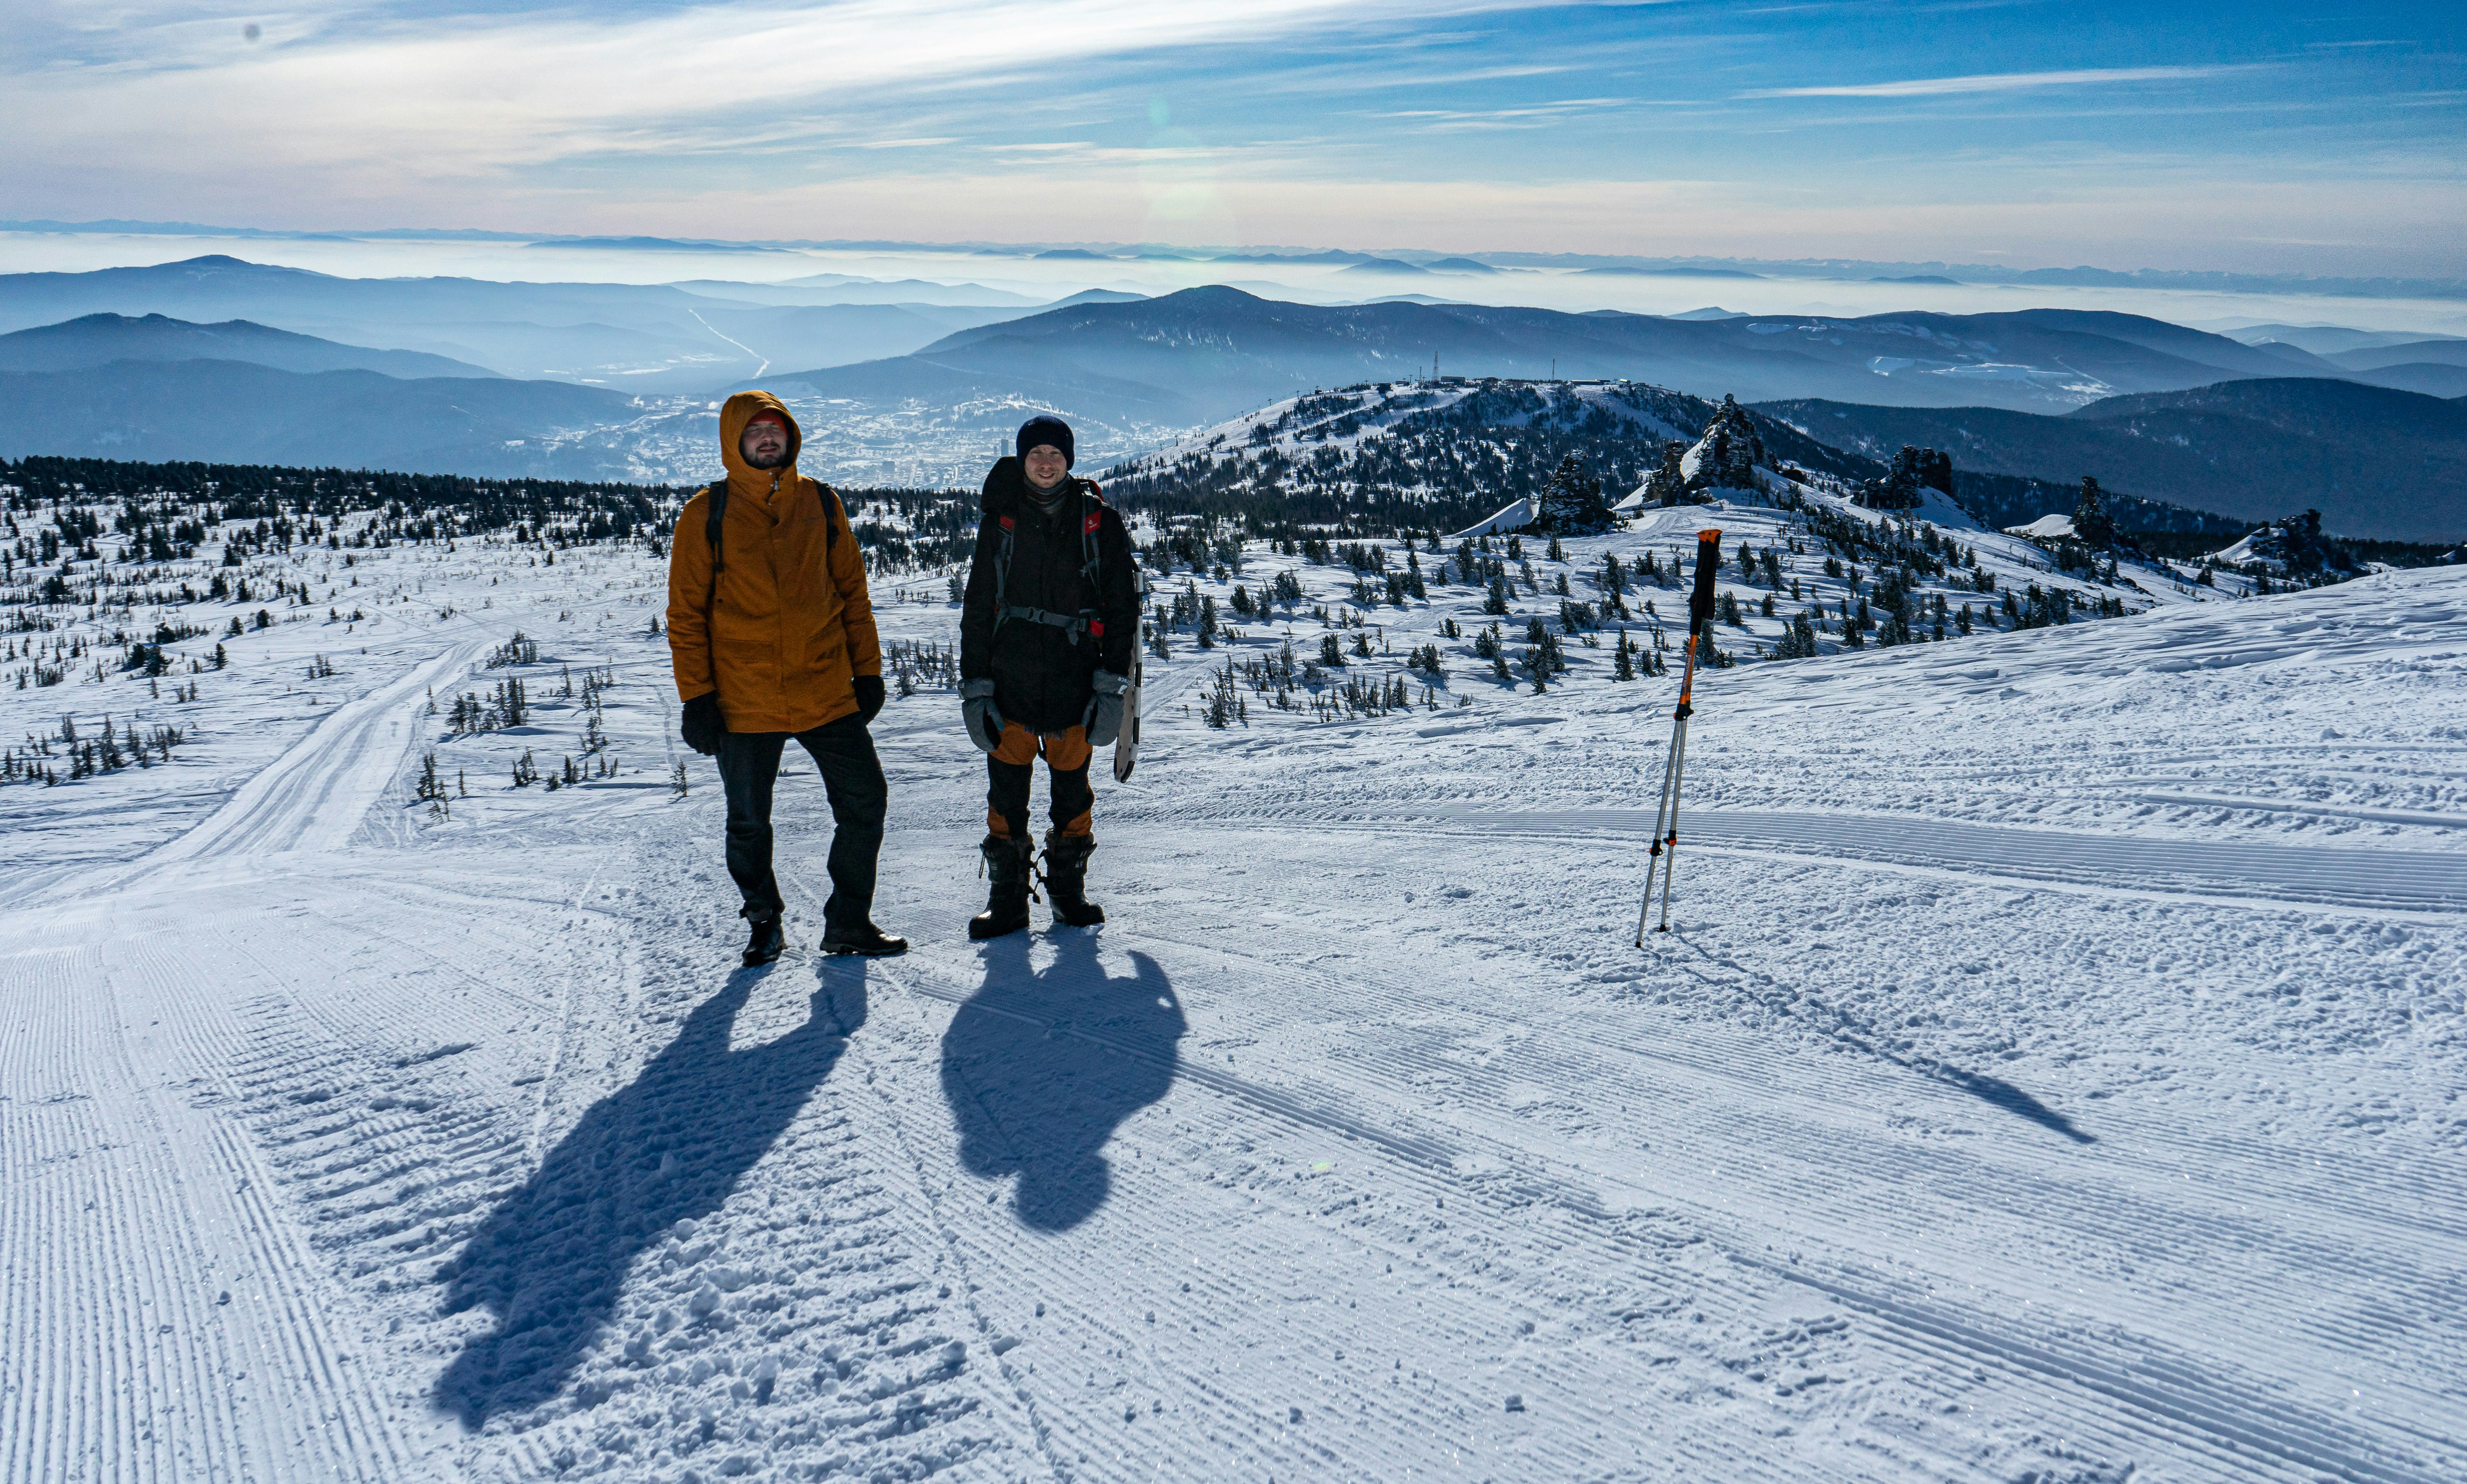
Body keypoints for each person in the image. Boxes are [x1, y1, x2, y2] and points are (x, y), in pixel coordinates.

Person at [667, 391, 907, 964]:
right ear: (734, 442)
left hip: (825, 688)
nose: (767, 438)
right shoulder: (705, 514)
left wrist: (867, 671)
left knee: (865, 801)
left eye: (775, 428)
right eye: (754, 431)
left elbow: (853, 594)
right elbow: (686, 615)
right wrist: (697, 697)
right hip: (743, 698)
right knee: (748, 822)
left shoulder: (820, 502)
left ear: (790, 436)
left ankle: (848, 922)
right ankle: (763, 921)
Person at [959, 414, 1140, 939]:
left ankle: (1067, 893)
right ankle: (1007, 901)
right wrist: (975, 688)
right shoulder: (1001, 520)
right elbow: (978, 607)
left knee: (1073, 794)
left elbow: (1122, 610)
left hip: (1074, 682)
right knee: (1005, 796)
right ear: (1022, 460)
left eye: (1054, 455)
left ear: (1069, 461)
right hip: (1009, 681)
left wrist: (1111, 686)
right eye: (1035, 454)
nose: (1045, 463)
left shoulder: (1098, 522)